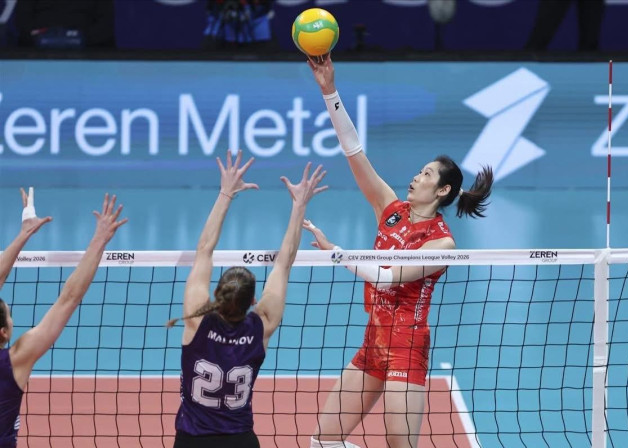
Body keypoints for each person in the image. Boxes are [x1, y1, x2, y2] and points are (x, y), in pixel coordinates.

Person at [303, 56, 493, 448]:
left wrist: (336, 253)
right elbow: (354, 151)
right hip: (373, 340)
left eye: (426, 174)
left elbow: (388, 277)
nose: (416, 177)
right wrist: (329, 91)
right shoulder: (390, 210)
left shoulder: (442, 244)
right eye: (419, 171)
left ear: (442, 191)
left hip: (407, 345)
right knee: (323, 441)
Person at [167, 150, 327, 448]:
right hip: (240, 441)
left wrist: (226, 193)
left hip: (192, 441)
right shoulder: (261, 326)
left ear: (216, 294)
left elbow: (204, 250)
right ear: (254, 301)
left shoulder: (197, 320)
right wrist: (299, 205)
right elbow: (284, 263)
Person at [0, 188, 127, 448]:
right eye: (10, 316)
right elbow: (69, 298)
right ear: (4, 331)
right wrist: (99, 240)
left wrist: (24, 233)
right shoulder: (15, 361)